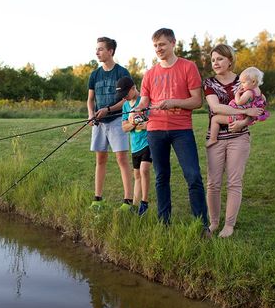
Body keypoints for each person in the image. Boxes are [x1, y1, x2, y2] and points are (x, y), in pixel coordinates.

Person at [135, 28, 208, 228]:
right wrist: (137, 111)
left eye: (162, 44)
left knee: (193, 176)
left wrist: (174, 102)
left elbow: (196, 101)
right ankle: (163, 223)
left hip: (181, 130)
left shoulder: (188, 67)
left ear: (173, 43)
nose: (158, 49)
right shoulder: (149, 74)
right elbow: (143, 102)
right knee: (161, 177)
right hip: (155, 130)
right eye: (155, 46)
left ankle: (201, 225)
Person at [203, 45, 264, 237]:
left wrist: (244, 122)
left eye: (220, 59)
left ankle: (229, 225)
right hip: (216, 138)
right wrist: (244, 111)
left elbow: (260, 104)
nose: (216, 63)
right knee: (213, 183)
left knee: (234, 182)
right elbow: (216, 108)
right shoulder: (209, 83)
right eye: (213, 60)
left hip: (239, 137)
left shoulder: (244, 80)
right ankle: (213, 223)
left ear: (230, 60)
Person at [87, 37, 133, 211]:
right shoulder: (94, 74)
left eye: (100, 49)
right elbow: (90, 100)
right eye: (96, 49)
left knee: (121, 159)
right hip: (99, 123)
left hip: (117, 120)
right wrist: (91, 115)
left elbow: (127, 99)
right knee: (100, 159)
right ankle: (98, 199)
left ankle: (127, 201)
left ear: (110, 51)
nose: (97, 52)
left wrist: (109, 109)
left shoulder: (122, 73)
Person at [206, 66, 268, 147]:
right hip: (245, 116)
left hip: (238, 116)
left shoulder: (249, 92)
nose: (241, 85)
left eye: (243, 82)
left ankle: (212, 139)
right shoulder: (260, 93)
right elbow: (263, 103)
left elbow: (239, 102)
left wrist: (237, 93)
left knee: (215, 119)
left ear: (253, 82)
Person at [120, 77, 152, 216]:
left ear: (133, 88)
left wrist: (143, 124)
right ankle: (135, 205)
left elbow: (152, 122)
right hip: (135, 146)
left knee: (144, 170)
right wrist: (133, 123)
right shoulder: (125, 106)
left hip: (147, 142)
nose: (125, 98)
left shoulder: (144, 101)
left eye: (126, 94)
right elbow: (124, 128)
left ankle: (144, 203)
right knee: (137, 175)